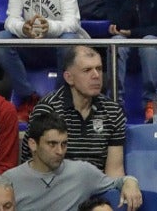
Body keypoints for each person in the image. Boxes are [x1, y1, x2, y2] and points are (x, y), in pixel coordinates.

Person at [22, 45, 128, 179]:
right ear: (69, 77)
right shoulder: (48, 109)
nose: (96, 75)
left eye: (99, 69)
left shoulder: (113, 111)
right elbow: (37, 169)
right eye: (87, 70)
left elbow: (114, 172)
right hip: (56, 189)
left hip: (98, 191)